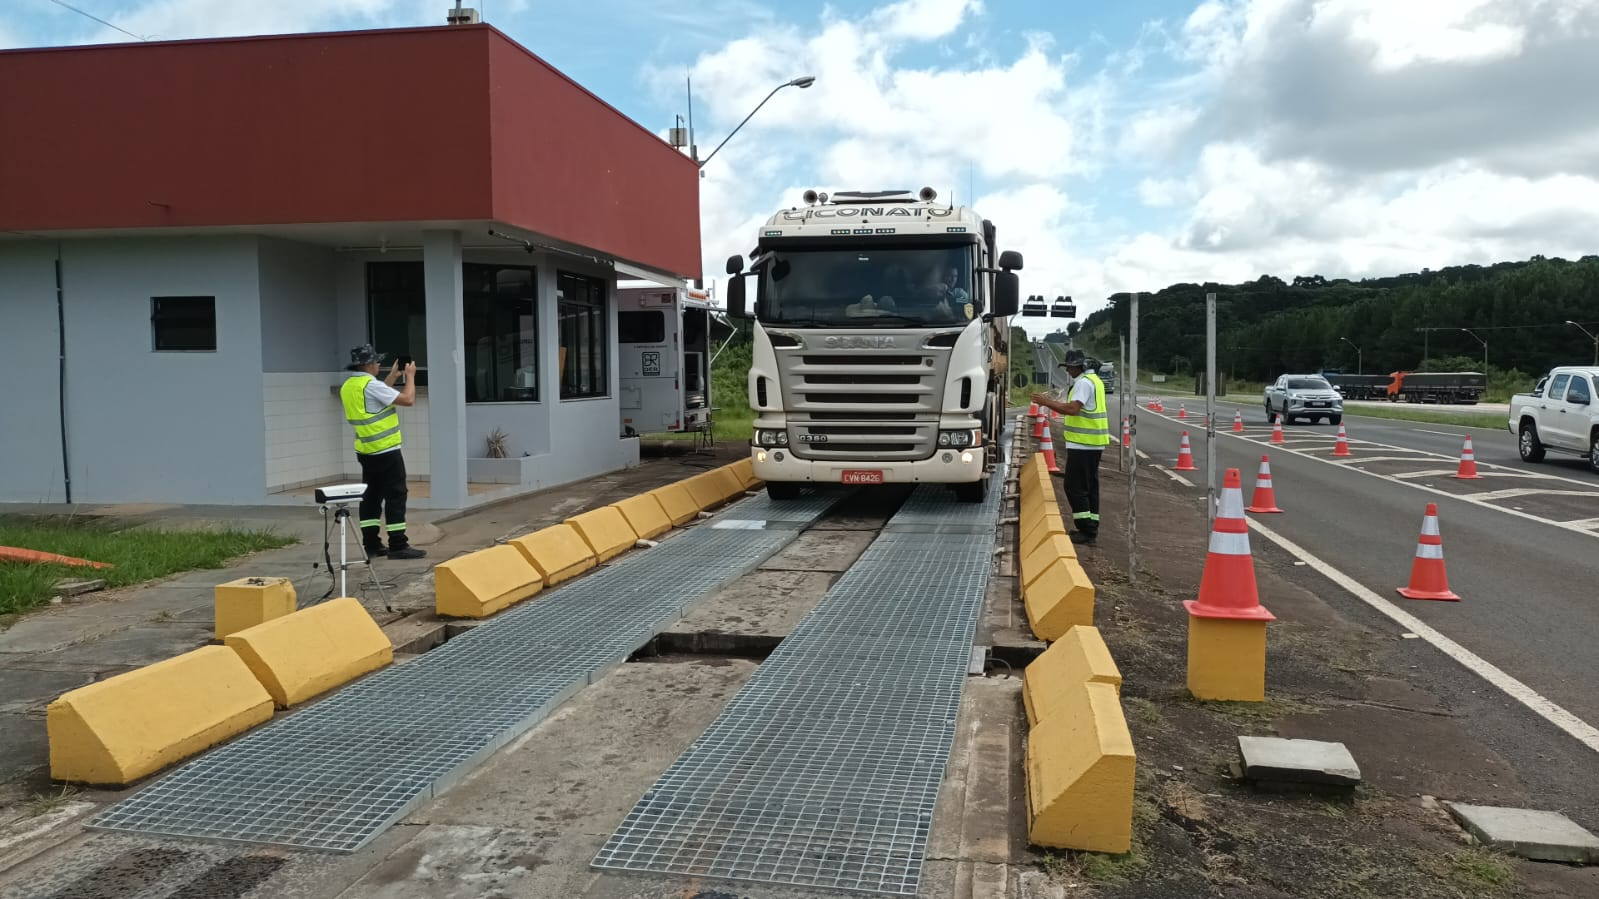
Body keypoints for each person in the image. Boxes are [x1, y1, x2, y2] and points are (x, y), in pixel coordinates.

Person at [340, 345, 426, 560]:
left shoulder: (350, 385)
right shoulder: (369, 384)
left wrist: (391, 376)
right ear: (368, 364)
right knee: (396, 495)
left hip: (366, 451)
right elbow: (408, 400)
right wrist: (411, 377)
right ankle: (398, 545)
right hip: (386, 449)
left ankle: (371, 544)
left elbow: (378, 399)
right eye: (376, 361)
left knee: (371, 497)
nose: (379, 364)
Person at [1031, 349, 1110, 544]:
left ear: (1080, 366)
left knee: (1074, 487)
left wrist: (1046, 402)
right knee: (1089, 487)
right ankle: (1091, 527)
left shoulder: (1084, 383)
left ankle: (1086, 530)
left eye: (1070, 368)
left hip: (1084, 444)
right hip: (1092, 444)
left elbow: (1073, 409)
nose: (1068, 371)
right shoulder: (1094, 381)